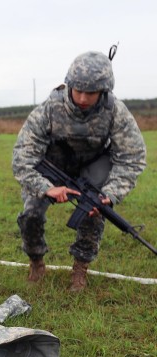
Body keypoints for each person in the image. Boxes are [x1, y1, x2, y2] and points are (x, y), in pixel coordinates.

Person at [12, 49, 146, 291]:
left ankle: (80, 269)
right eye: (78, 90)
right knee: (31, 213)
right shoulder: (49, 109)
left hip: (91, 170)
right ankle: (36, 261)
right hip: (50, 171)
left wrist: (112, 193)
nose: (83, 98)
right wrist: (47, 189)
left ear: (104, 91)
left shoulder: (116, 112)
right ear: (69, 84)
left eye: (91, 92)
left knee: (95, 208)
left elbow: (132, 158)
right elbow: (22, 158)